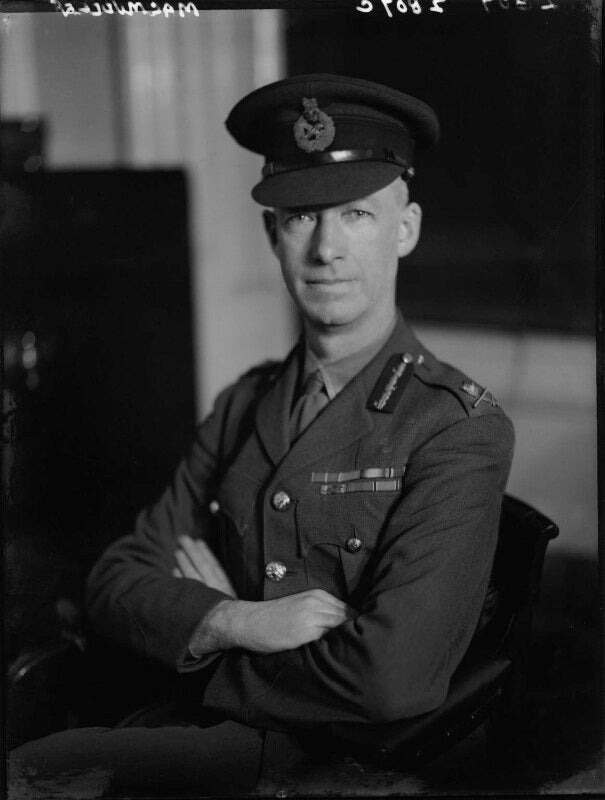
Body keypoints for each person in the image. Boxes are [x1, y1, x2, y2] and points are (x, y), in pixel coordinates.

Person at [9, 73, 514, 798]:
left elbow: (388, 680)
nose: (326, 249)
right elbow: (114, 580)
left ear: (405, 230)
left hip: (325, 765)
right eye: (302, 217)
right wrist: (233, 620)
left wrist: (199, 644)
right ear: (272, 234)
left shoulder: (456, 429)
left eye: (356, 214)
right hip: (199, 725)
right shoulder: (246, 403)